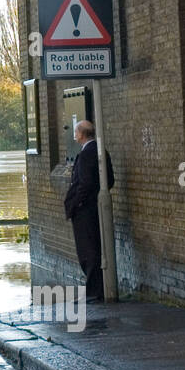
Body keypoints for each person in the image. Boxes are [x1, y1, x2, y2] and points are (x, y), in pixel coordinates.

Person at [64, 120, 114, 304]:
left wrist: (76, 203)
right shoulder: (101, 151)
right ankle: (96, 289)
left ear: (81, 134)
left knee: (87, 250)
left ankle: (93, 292)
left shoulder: (85, 154)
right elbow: (109, 180)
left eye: (76, 132)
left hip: (84, 210)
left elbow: (84, 183)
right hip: (94, 207)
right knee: (95, 247)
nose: (74, 135)